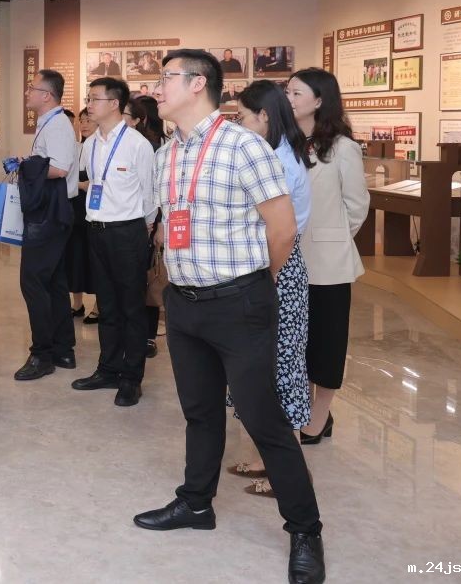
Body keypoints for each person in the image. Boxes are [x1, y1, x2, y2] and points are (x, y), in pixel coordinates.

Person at [134, 50, 324, 584]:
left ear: (198, 84)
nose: (157, 87)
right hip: (184, 303)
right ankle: (196, 502)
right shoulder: (168, 153)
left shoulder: (244, 146)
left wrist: (256, 288)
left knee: (264, 420)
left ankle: (305, 530)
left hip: (240, 303)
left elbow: (282, 229)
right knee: (199, 411)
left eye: (166, 77)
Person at [229, 80, 313, 494]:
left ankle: (286, 475)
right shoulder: (273, 151)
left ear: (263, 116)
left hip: (277, 269)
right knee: (261, 368)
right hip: (270, 266)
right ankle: (265, 460)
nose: (238, 125)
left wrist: (269, 276)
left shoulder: (278, 160)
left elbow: (282, 233)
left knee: (281, 370)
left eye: (242, 117)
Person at [286, 68, 369, 445]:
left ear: (319, 101)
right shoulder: (284, 143)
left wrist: (331, 238)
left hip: (328, 264)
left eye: (297, 93)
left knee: (328, 343)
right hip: (286, 257)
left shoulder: (342, 148)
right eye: (287, 92)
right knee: (297, 343)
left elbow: (356, 207)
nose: (289, 99)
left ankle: (319, 417)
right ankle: (301, 407)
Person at [71, 78, 155, 406]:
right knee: (106, 304)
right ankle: (108, 368)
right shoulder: (90, 144)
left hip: (128, 232)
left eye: (95, 99)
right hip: (97, 231)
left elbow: (150, 195)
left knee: (131, 307)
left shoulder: (137, 144)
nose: (89, 105)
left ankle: (131, 378)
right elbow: (93, 183)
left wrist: (145, 230)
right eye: (89, 98)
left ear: (114, 104)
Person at [11, 69, 79, 381]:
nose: (27, 92)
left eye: (32, 88)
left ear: (47, 95)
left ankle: (42, 354)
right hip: (50, 209)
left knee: (33, 281)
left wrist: (26, 165)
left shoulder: (59, 124)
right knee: (53, 282)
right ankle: (63, 348)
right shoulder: (49, 123)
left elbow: (60, 168)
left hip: (51, 212)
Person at [128, 95, 166, 354]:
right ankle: (143, 335)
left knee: (148, 279)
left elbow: (153, 192)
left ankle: (147, 336)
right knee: (143, 280)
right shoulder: (154, 143)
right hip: (146, 222)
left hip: (149, 223)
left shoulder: (148, 147)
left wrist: (153, 223)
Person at [69, 108, 98, 319]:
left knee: (95, 260)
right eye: (82, 120)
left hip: (96, 214)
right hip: (76, 212)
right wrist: (81, 185)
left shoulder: (101, 148)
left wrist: (78, 184)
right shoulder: (76, 148)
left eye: (88, 120)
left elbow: (97, 184)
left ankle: (98, 306)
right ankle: (77, 304)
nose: (84, 124)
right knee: (76, 259)